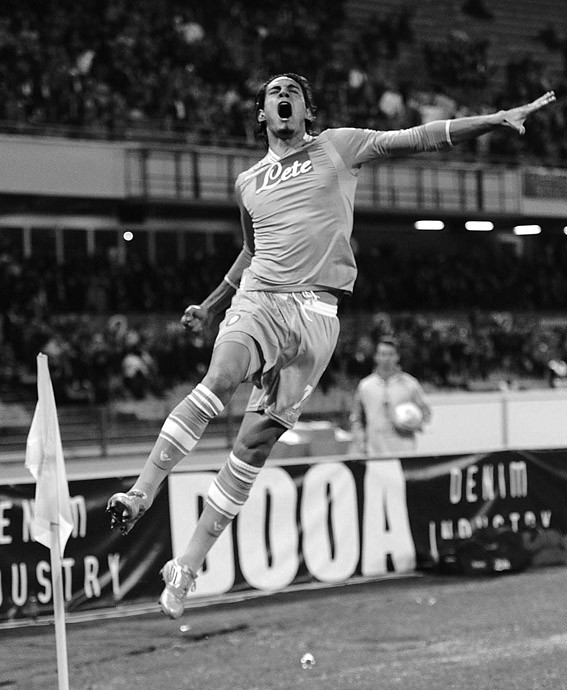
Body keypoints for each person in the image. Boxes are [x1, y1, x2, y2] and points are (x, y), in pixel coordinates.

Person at [106, 73, 555, 619]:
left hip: (318, 317)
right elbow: (251, 252)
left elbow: (416, 136)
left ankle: (188, 564)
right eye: (274, 92)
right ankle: (141, 492)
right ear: (262, 115)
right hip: (262, 299)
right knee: (220, 377)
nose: (283, 94)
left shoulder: (338, 147)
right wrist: (215, 302)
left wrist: (493, 119)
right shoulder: (248, 182)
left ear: (306, 109)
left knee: (251, 447)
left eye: (292, 90)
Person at [349, 336, 432, 456]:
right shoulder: (365, 386)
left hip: (404, 452)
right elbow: (356, 418)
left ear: (397, 357)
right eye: (382, 354)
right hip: (375, 453)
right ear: (376, 357)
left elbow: (426, 412)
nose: (386, 358)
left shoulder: (410, 384)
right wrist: (361, 441)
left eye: (390, 354)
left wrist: (415, 423)